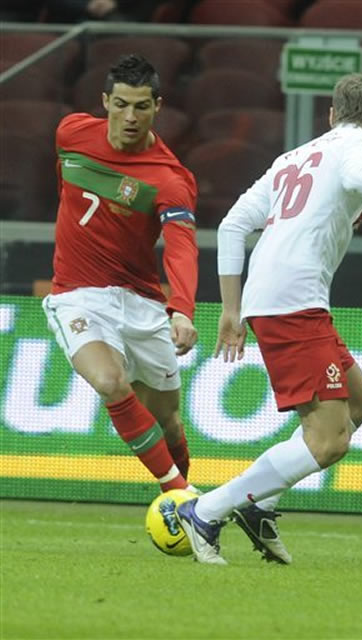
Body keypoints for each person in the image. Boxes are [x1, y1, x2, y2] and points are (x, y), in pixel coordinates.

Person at [175, 73, 362, 565]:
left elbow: (232, 224)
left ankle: (261, 505)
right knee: (330, 441)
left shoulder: (293, 157)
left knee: (361, 399)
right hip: (293, 301)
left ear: (331, 115)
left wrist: (231, 309)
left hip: (274, 297)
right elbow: (361, 177)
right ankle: (207, 510)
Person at [42, 54, 199, 495]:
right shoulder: (70, 134)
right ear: (105, 101)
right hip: (76, 294)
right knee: (110, 382)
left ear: (158, 107)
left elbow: (182, 246)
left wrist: (181, 309)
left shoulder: (170, 178)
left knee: (168, 422)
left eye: (142, 107)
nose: (130, 117)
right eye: (122, 105)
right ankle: (180, 498)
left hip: (142, 302)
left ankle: (190, 502)